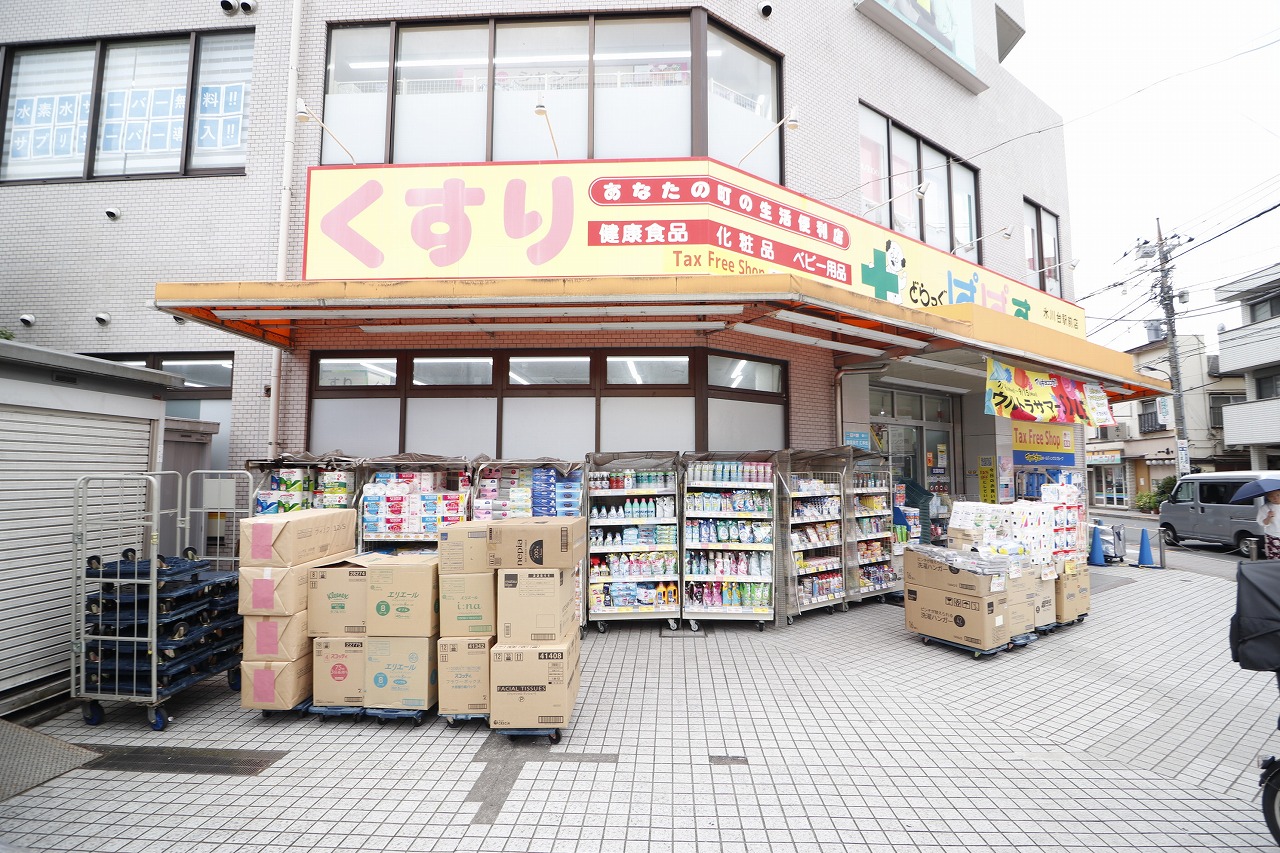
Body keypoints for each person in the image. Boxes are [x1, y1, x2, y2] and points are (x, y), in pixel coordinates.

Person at [1259, 490, 1280, 559]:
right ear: (1268, 497)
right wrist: (1269, 517)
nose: (1275, 498)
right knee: (1273, 558)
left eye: (1278, 495)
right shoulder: (1265, 507)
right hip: (1272, 536)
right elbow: (1264, 523)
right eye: (1271, 496)